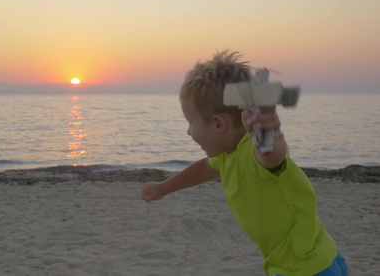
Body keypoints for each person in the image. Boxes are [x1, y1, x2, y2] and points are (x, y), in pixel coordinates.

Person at [140, 50, 348, 276]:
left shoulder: (253, 150)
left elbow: (271, 155)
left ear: (218, 124)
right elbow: (203, 168)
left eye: (190, 122)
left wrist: (268, 131)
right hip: (312, 258)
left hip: (306, 268)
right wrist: (164, 187)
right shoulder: (225, 155)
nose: (188, 131)